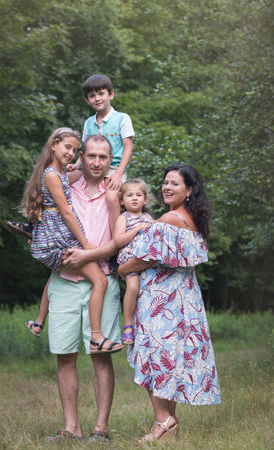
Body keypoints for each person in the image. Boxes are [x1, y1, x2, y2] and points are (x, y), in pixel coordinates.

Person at [118, 164, 221, 443]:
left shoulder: (168, 220)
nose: (166, 187)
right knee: (171, 359)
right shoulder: (193, 220)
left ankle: (163, 420)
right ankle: (166, 427)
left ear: (189, 191)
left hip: (161, 299)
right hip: (185, 296)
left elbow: (146, 257)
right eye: (165, 182)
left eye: (174, 184)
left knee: (154, 358)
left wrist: (124, 269)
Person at [40, 134, 123, 442]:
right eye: (92, 156)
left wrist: (88, 253)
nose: (97, 163)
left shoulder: (114, 193)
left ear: (109, 159)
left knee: (100, 356)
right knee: (64, 355)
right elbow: (48, 222)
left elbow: (118, 242)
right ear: (82, 157)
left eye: (104, 157)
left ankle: (101, 428)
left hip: (100, 282)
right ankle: (70, 427)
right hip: (63, 280)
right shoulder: (65, 187)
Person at [20, 127, 122, 354]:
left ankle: (40, 322)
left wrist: (114, 174)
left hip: (65, 246)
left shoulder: (61, 176)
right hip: (63, 248)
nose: (70, 153)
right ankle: (97, 337)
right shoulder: (53, 175)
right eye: (68, 147)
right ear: (53, 144)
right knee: (99, 283)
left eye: (74, 150)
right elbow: (66, 212)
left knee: (101, 281)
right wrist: (85, 245)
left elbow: (119, 240)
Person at [67, 74, 135, 233]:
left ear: (111, 94)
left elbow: (128, 148)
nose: (97, 98)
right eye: (92, 95)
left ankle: (116, 238)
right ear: (88, 100)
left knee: (111, 197)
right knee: (60, 181)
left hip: (113, 167)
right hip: (90, 167)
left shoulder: (122, 118)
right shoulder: (88, 122)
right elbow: (84, 150)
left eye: (101, 94)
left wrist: (118, 174)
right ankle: (40, 224)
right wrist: (76, 165)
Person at [113, 179, 153, 344]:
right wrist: (137, 229)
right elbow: (118, 241)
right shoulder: (124, 218)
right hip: (130, 259)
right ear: (122, 200)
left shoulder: (148, 217)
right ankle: (128, 325)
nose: (134, 198)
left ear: (145, 199)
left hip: (147, 260)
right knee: (133, 287)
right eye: (129, 195)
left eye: (138, 195)